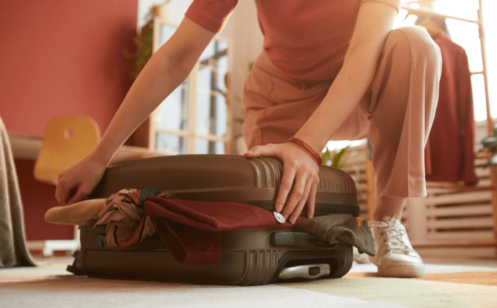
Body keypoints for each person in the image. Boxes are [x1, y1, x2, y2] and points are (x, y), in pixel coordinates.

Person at [55, 0, 441, 278]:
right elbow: (176, 57)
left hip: (358, 90)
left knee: (416, 45)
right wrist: (99, 156)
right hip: (280, 99)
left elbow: (364, 51)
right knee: (270, 221)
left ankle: (387, 222)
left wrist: (307, 147)